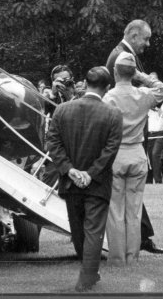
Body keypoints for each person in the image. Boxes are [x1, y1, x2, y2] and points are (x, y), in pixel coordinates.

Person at [44, 66, 123, 291]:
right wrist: (91, 173)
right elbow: (111, 149)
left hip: (71, 181)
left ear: (85, 84)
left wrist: (69, 170)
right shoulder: (113, 114)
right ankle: (88, 275)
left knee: (78, 230)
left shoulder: (61, 110)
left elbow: (53, 143)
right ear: (108, 88)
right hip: (96, 182)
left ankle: (88, 274)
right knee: (92, 230)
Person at [104, 19, 163, 254]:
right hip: (125, 142)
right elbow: (142, 88)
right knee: (124, 201)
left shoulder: (124, 54)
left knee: (126, 200)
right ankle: (136, 243)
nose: (147, 44)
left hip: (124, 141)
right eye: (145, 39)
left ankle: (135, 243)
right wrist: (162, 96)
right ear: (134, 35)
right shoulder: (120, 56)